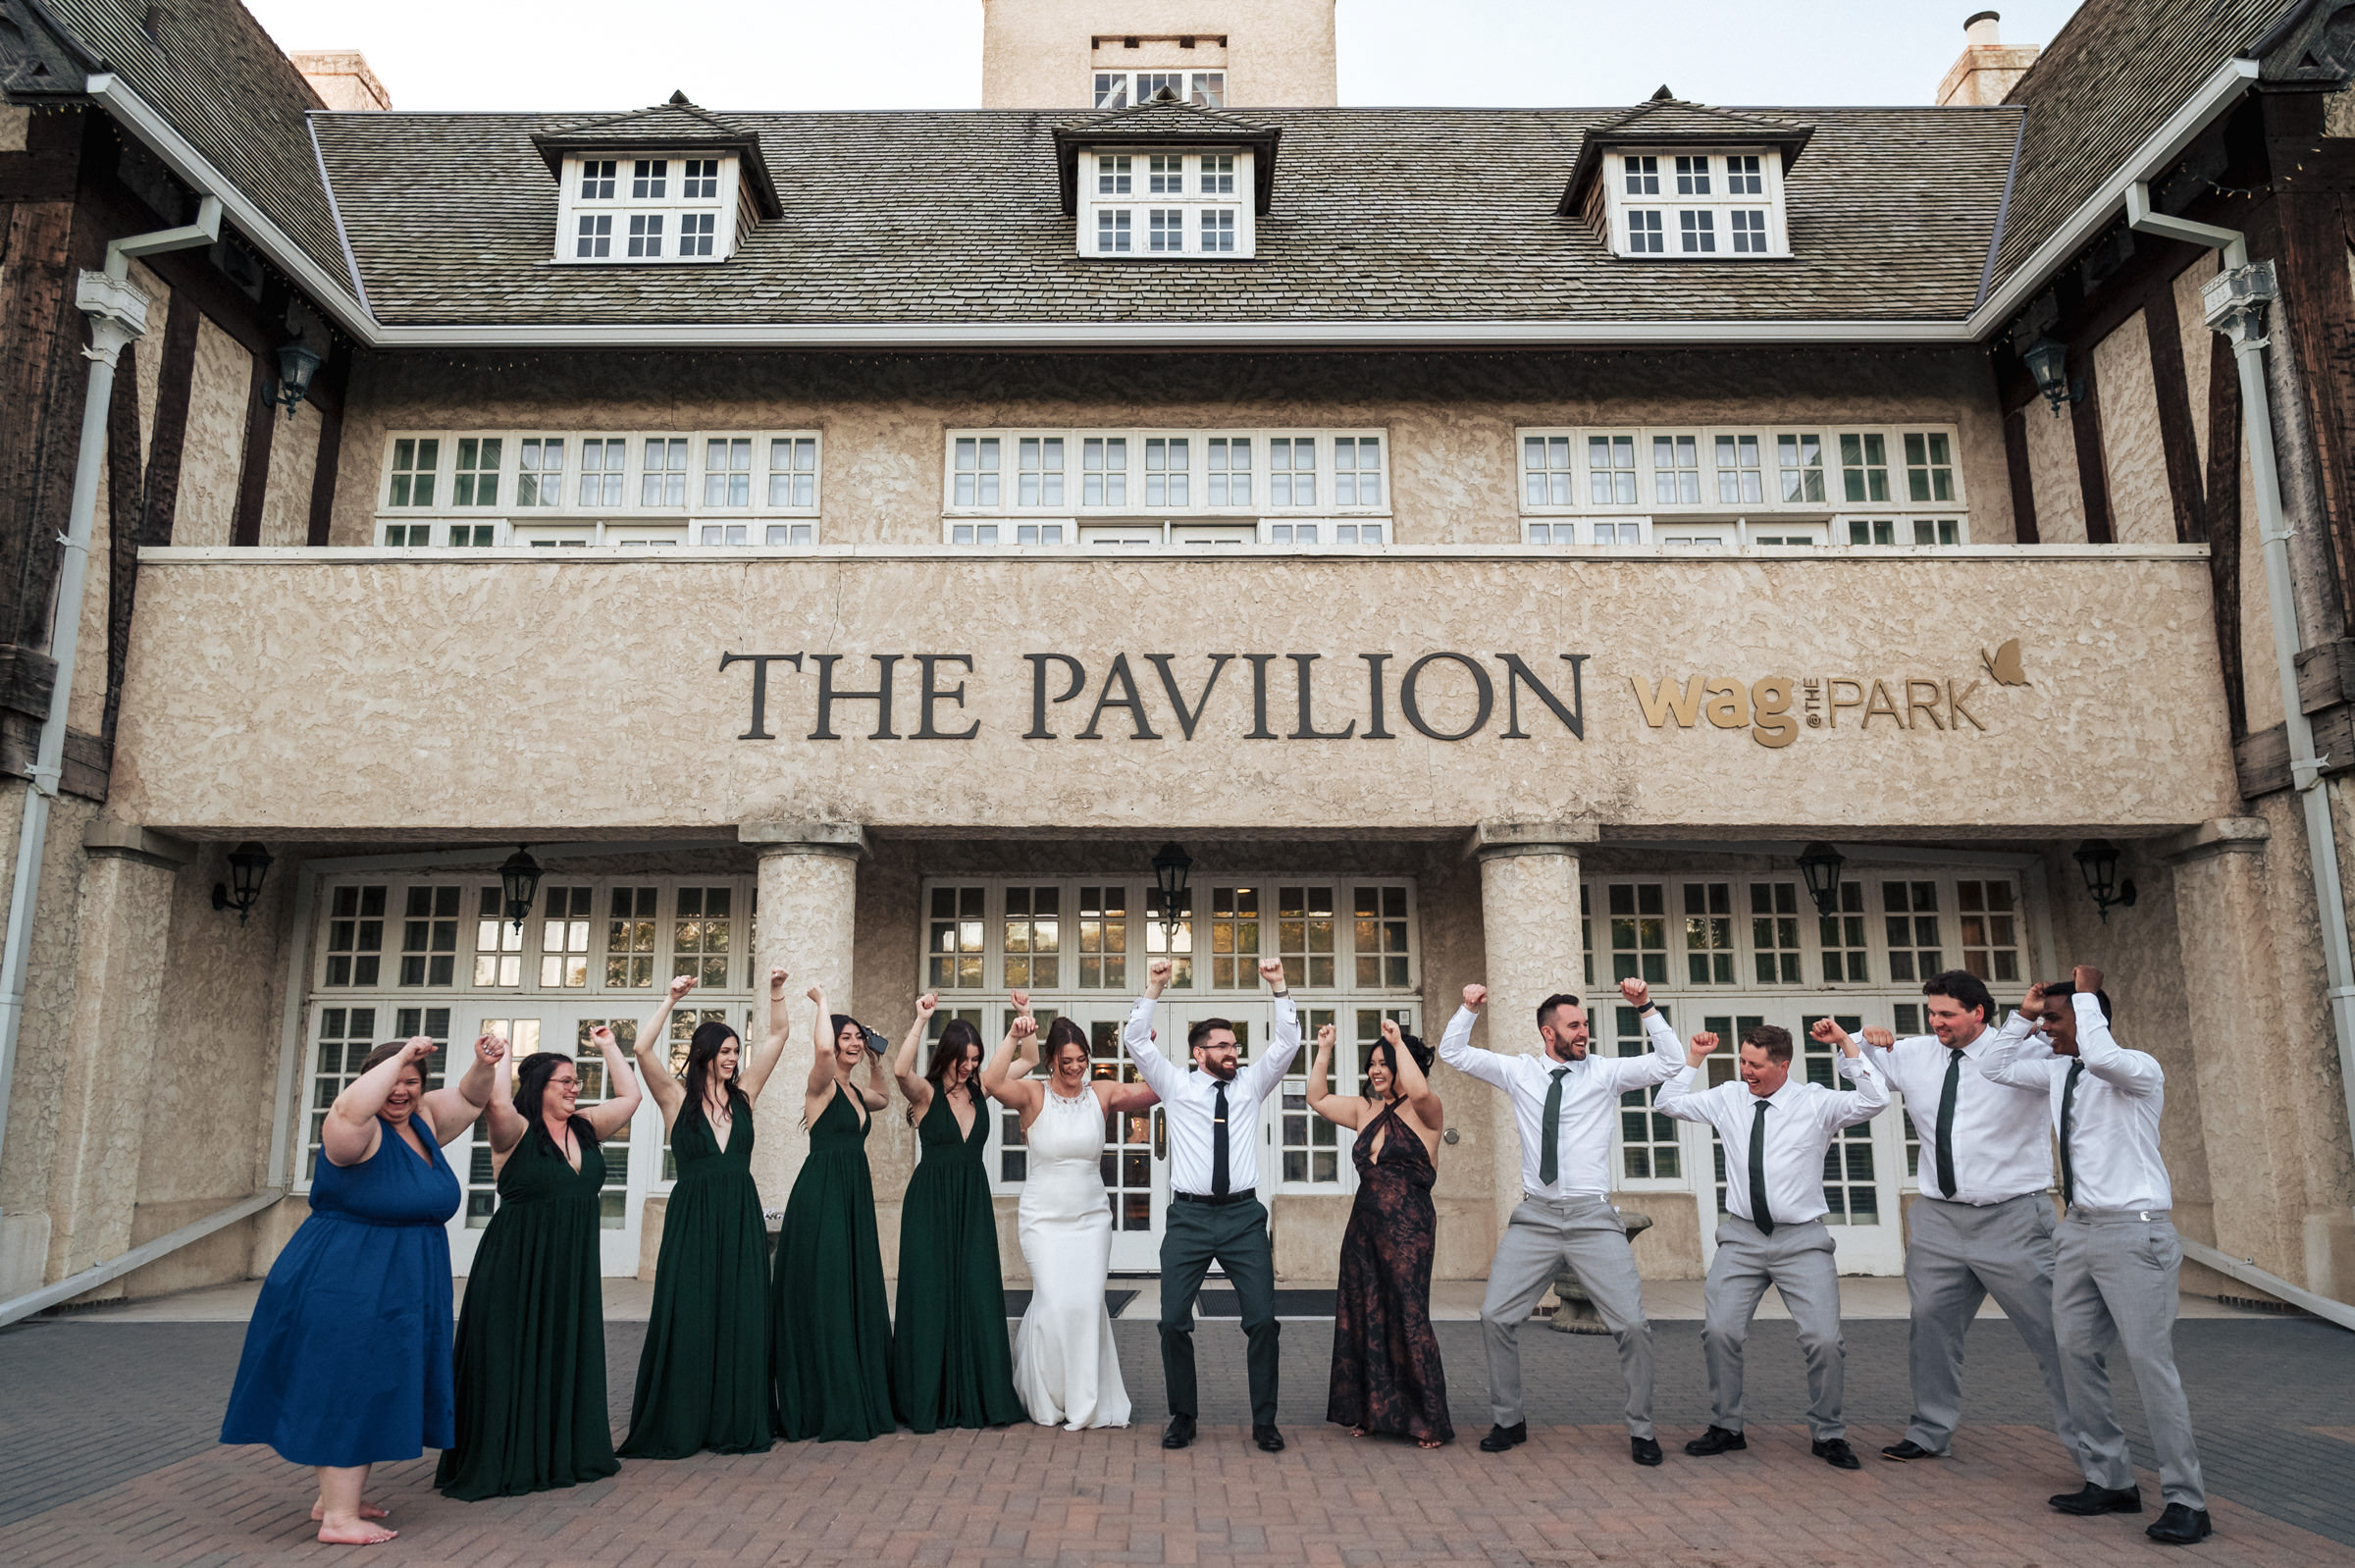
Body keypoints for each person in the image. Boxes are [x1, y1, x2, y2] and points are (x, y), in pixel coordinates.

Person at [223, 1031, 502, 1545]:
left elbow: (470, 1097)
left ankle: (334, 1498)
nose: (402, 1092)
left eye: (412, 1083)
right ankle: (337, 1519)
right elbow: (351, 1112)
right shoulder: (354, 1132)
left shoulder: (424, 1123)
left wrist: (484, 1063)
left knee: (372, 1383)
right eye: (392, 1082)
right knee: (348, 1383)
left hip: (399, 1280)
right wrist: (400, 1056)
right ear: (371, 1082)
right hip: (347, 1278)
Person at [1980, 967, 2212, 1545]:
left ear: (2091, 1018)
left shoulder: (2135, 1067)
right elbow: (1994, 1066)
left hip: (2135, 1233)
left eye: (2055, 1021)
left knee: (2150, 1365)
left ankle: (2188, 1500)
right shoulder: (2060, 1069)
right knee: (2074, 1353)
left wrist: (2083, 999)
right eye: (2048, 1020)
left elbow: (2103, 1057)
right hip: (2077, 1230)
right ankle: (2111, 1480)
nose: (2048, 1031)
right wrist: (2026, 1015)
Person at [1852, 969, 2095, 1480]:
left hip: (2013, 1219)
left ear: (1979, 1013)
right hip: (1938, 1220)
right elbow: (1854, 1062)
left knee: (2056, 1336)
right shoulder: (1914, 1052)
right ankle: (1928, 1432)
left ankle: (2095, 1457)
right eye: (1932, 1012)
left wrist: (2042, 1014)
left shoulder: (2026, 1055)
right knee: (1931, 1330)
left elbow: (2083, 1052)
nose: (1936, 1022)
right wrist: (1862, 1040)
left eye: (1947, 1014)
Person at [1441, 976, 1675, 1466]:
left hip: (1592, 1216)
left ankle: (1641, 1429)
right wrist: (1469, 1008)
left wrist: (1645, 1007)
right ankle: (1509, 1419)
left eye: (1585, 1023)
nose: (1583, 1031)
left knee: (1632, 1324)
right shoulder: (1520, 1072)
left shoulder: (1605, 1073)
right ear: (1549, 1033)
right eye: (1574, 1025)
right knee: (1496, 1316)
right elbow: (1453, 1052)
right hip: (1537, 1218)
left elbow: (1671, 1063)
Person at [1655, 1020, 1888, 1470]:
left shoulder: (1816, 1102)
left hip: (1801, 1241)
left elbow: (1874, 1100)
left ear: (1783, 1065)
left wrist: (1846, 1046)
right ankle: (1726, 1426)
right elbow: (1666, 1102)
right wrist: (1694, 1060)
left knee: (1823, 1340)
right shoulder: (1728, 1097)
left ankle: (1829, 1433)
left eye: (1756, 1065)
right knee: (1720, 1332)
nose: (1746, 1071)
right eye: (1742, 1061)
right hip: (1740, 1238)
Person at [436, 1019, 643, 1499]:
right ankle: (507, 1457)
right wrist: (498, 1055)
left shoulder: (587, 1128)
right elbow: (497, 1101)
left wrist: (610, 1046)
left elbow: (630, 1098)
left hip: (570, 1266)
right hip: (516, 1263)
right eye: (565, 1081)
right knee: (510, 1355)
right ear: (539, 1088)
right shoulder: (514, 1131)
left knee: (561, 1350)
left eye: (577, 1081)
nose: (576, 1088)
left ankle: (558, 1453)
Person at [1123, 954, 1301, 1452]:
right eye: (1222, 1045)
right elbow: (1135, 1041)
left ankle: (1264, 1421)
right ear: (1199, 1053)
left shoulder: (1250, 1085)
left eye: (1235, 1044)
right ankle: (1183, 1416)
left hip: (1244, 1218)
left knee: (1263, 1320)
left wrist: (1279, 987)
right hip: (1190, 1219)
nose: (1232, 1051)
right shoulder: (1175, 1085)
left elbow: (1288, 1042)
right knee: (1172, 1320)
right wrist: (1154, 987)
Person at [619, 967, 792, 1459]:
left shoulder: (746, 1097)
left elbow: (779, 1034)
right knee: (691, 1314)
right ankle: (683, 1420)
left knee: (742, 1314)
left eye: (737, 1052)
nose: (734, 1060)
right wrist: (671, 999)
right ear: (705, 1054)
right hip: (693, 1218)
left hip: (740, 1217)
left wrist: (776, 993)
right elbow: (642, 1051)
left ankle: (734, 1420)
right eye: (726, 1051)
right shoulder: (676, 1099)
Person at [983, 998, 1159, 1431]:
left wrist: (1145, 1051)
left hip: (1091, 1218)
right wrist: (1013, 1035)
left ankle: (1084, 1401)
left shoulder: (1100, 1094)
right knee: (1054, 1303)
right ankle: (1044, 1394)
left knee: (1084, 1303)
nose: (1077, 1068)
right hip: (1043, 1218)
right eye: (1067, 1061)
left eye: (1082, 1060)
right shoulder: (1032, 1094)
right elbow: (989, 1082)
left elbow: (1157, 1091)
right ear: (1050, 1060)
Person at [1310, 1017, 1451, 1448]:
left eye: (1384, 1062)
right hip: (1364, 1230)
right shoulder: (1364, 1109)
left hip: (1409, 1229)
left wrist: (1396, 1042)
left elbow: (1421, 1090)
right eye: (1371, 1063)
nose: (1376, 1070)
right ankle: (1370, 1412)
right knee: (1364, 1315)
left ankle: (1426, 1420)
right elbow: (1316, 1098)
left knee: (1408, 1316)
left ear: (1402, 1064)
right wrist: (1324, 1050)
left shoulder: (1428, 1111)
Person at [888, 993, 1024, 1432]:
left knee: (978, 1292)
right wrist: (920, 1020)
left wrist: (1021, 1021)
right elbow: (899, 1071)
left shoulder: (982, 1090)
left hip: (972, 1201)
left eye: (976, 1059)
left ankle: (980, 1397)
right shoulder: (926, 1094)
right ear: (947, 1054)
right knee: (931, 1296)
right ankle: (928, 1398)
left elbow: (1028, 1059)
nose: (969, 1066)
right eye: (964, 1059)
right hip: (930, 1204)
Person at [771, 984, 894, 1441]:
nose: (854, 1043)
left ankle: (854, 1387)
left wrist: (878, 1060)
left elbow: (882, 1100)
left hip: (853, 1194)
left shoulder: (857, 1090)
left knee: (850, 1287)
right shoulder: (820, 1084)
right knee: (825, 1289)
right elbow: (822, 1048)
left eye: (859, 1037)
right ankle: (822, 1398)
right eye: (848, 1037)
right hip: (821, 1194)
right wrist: (823, 1005)